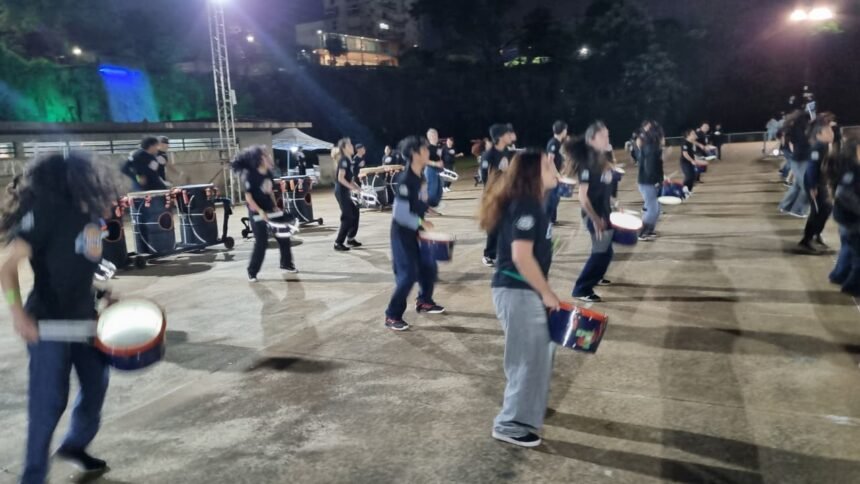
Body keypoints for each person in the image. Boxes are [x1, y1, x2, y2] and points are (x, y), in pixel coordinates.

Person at [0, 152, 119, 484]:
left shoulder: (91, 217)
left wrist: (101, 293)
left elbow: (76, 265)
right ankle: (33, 476)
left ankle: (75, 446)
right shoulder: (46, 212)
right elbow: (6, 268)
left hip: (85, 321)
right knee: (49, 401)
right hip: (47, 325)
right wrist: (17, 313)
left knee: (95, 387)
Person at [477, 148, 560, 448]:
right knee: (527, 359)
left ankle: (527, 406)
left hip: (524, 291)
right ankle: (510, 424)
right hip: (517, 291)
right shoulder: (526, 204)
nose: (555, 168)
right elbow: (521, 257)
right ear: (533, 174)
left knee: (539, 354)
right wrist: (547, 294)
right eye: (548, 165)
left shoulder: (534, 202)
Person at [384, 136, 445, 331]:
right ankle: (392, 315)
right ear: (414, 154)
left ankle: (424, 301)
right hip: (402, 233)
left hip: (417, 229)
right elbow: (400, 214)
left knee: (429, 268)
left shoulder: (421, 176)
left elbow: (420, 201)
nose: (428, 152)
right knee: (408, 274)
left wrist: (428, 208)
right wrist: (422, 222)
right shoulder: (405, 179)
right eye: (424, 149)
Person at [567, 122, 615, 303]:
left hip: (605, 212)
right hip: (593, 215)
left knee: (606, 251)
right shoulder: (587, 162)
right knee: (602, 252)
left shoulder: (601, 157)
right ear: (591, 139)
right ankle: (581, 288)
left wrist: (614, 203)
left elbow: (603, 188)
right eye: (603, 136)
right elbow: (582, 196)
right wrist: (594, 218)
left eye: (607, 135)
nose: (607, 138)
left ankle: (597, 275)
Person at [232, 146, 297, 280]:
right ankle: (252, 271)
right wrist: (260, 211)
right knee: (261, 242)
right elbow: (249, 198)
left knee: (284, 237)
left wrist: (275, 206)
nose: (269, 157)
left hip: (270, 209)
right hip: (256, 212)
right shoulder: (249, 175)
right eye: (266, 156)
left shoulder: (268, 172)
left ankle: (286, 264)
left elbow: (270, 191)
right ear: (259, 159)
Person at [827, 138, 860, 295]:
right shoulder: (851, 170)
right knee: (857, 252)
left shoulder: (852, 167)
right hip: (850, 217)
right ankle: (853, 286)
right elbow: (844, 194)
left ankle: (839, 275)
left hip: (847, 216)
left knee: (848, 246)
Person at [798, 119, 835, 254]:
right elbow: (812, 168)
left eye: (831, 131)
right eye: (827, 132)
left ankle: (816, 235)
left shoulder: (826, 145)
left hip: (821, 183)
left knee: (827, 208)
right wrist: (813, 187)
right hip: (814, 183)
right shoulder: (817, 147)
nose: (831, 134)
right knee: (817, 211)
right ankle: (806, 240)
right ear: (819, 135)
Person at [481, 124, 514, 267]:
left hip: (506, 193)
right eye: (507, 134)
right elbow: (485, 178)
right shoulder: (489, 155)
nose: (509, 135)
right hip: (493, 196)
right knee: (494, 225)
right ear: (500, 137)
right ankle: (489, 255)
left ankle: (504, 252)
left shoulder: (506, 151)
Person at [779, 110, 812, 218]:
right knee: (808, 187)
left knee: (797, 185)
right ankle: (798, 210)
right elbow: (804, 143)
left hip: (798, 159)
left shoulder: (794, 128)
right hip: (801, 160)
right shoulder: (801, 130)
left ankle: (785, 206)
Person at [332, 138, 362, 251]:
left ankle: (350, 238)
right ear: (344, 148)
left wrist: (357, 187)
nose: (352, 146)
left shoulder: (349, 161)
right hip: (341, 191)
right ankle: (338, 243)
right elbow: (341, 178)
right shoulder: (343, 160)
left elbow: (349, 179)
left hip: (346, 190)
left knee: (355, 212)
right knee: (347, 216)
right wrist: (352, 188)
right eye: (350, 145)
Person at [638, 121, 663, 241]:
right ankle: (642, 232)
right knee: (652, 209)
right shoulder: (651, 148)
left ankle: (649, 230)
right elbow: (650, 168)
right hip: (648, 182)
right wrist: (657, 181)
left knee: (656, 209)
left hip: (648, 181)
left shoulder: (652, 147)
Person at [545, 120, 568, 225]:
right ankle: (548, 220)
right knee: (552, 198)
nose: (566, 131)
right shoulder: (554, 143)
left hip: (555, 174)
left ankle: (552, 219)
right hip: (551, 175)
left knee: (555, 197)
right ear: (562, 131)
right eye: (565, 129)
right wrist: (557, 174)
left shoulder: (558, 143)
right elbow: (550, 160)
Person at [424, 129, 445, 207]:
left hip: (439, 170)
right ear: (429, 137)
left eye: (436, 135)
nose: (435, 137)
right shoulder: (427, 147)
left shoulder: (439, 147)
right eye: (433, 135)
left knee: (439, 190)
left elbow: (439, 157)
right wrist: (435, 164)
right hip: (430, 170)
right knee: (432, 190)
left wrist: (441, 163)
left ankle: (434, 205)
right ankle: (425, 206)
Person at [680, 129, 704, 194]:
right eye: (693, 134)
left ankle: (689, 190)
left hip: (690, 162)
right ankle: (683, 190)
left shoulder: (690, 142)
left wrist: (700, 145)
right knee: (689, 176)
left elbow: (694, 141)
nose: (695, 135)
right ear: (688, 135)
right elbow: (685, 154)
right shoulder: (685, 143)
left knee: (693, 176)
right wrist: (692, 160)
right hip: (685, 162)